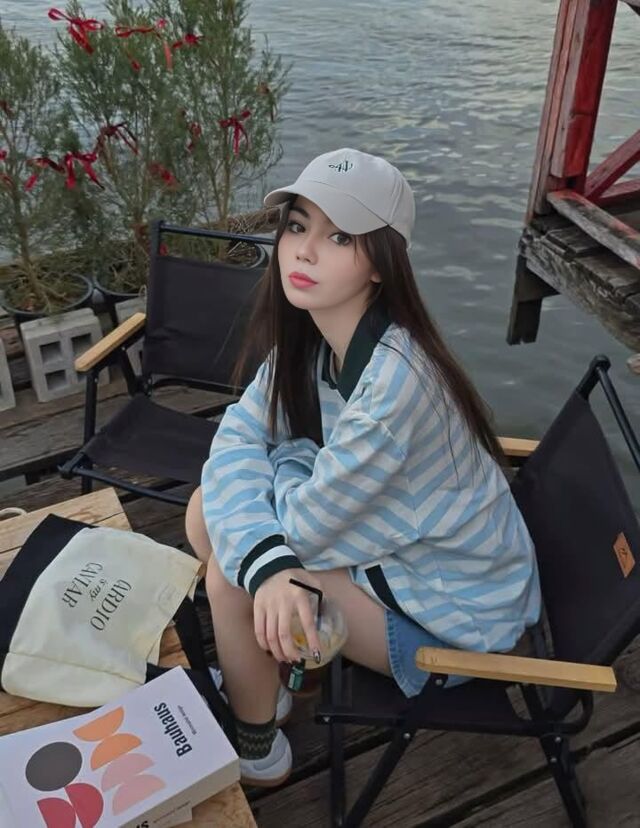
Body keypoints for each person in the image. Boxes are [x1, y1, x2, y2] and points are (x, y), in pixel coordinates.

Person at [185, 148, 541, 787]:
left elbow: (304, 528)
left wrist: (287, 458)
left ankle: (258, 747)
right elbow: (236, 434)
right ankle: (266, 681)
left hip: (453, 622)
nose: (304, 251)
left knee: (234, 574)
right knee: (209, 517)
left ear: (380, 262)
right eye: (298, 226)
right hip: (398, 558)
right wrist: (282, 471)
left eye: (339, 236)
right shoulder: (318, 339)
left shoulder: (394, 389)